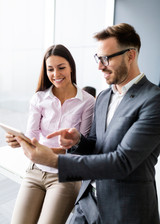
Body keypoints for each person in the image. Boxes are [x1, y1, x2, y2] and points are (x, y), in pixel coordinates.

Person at [13, 23, 160, 224]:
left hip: (125, 210)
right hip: (88, 205)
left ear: (130, 56)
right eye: (98, 59)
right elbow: (96, 145)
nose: (100, 66)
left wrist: (55, 161)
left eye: (106, 58)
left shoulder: (153, 100)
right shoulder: (103, 97)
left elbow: (122, 162)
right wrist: (77, 141)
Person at [6, 44, 95, 224]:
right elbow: (31, 137)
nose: (56, 74)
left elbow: (83, 148)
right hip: (35, 171)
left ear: (71, 67)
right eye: (50, 69)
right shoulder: (39, 98)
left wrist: (55, 152)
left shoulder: (88, 102)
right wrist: (19, 140)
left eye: (61, 67)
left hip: (65, 176)